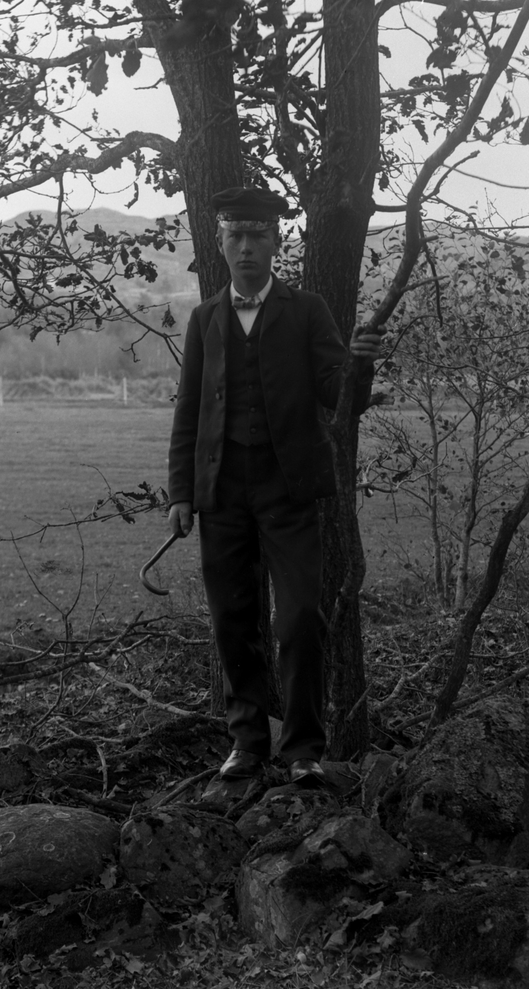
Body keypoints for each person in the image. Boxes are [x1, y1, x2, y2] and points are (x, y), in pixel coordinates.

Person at [167, 185, 382, 784]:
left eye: (257, 236)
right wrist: (181, 493)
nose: (246, 247)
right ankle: (246, 743)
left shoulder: (307, 310)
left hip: (288, 489)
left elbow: (339, 398)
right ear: (219, 243)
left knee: (299, 620)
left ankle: (304, 750)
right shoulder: (205, 319)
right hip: (221, 492)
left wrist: (359, 364)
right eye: (235, 235)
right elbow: (188, 411)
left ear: (275, 242)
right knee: (233, 620)